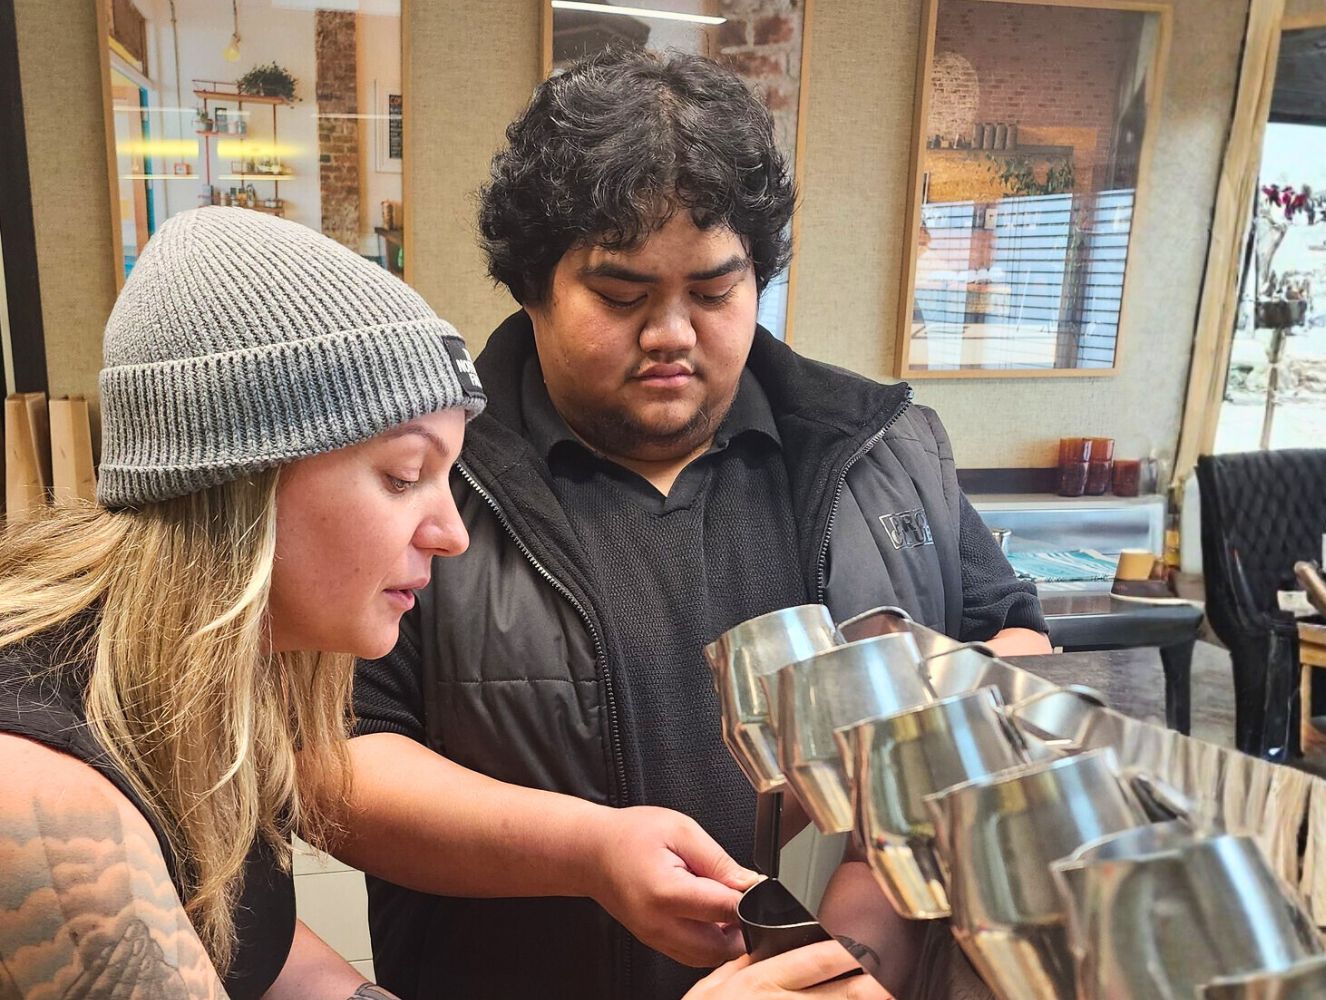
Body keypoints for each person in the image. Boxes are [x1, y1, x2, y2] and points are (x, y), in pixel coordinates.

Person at [0, 207, 872, 1000]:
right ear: (233, 486)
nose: (450, 534)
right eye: (404, 475)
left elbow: (261, 957)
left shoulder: (208, 707)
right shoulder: (47, 814)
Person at [340, 48, 1049, 1000]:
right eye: (622, 296)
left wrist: (954, 718)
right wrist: (587, 853)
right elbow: (332, 765)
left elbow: (1014, 637)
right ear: (531, 284)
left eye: (715, 292)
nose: (673, 331)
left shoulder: (883, 450)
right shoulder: (429, 478)